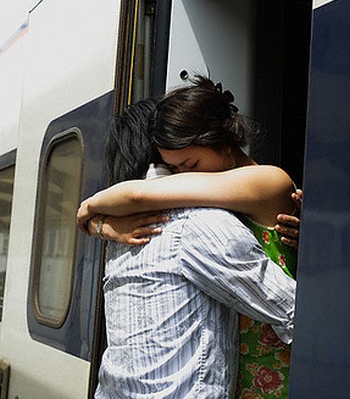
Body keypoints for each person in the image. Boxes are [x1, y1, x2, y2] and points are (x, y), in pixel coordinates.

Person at [77, 78, 301, 398]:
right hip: (238, 361)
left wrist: (90, 209)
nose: (182, 176)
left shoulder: (266, 180)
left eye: (188, 164)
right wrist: (104, 224)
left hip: (272, 354)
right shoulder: (209, 199)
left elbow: (141, 194)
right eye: (173, 168)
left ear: (224, 142)